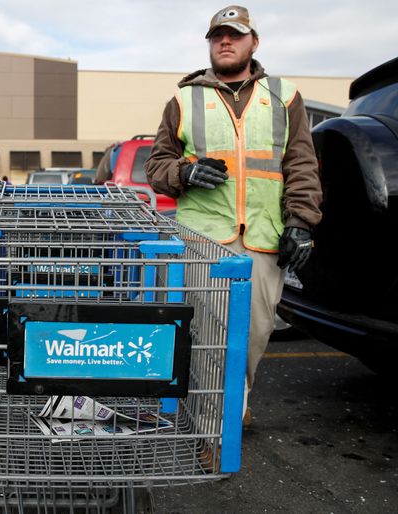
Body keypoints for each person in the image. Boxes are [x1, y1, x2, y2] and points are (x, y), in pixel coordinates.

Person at [144, 5, 322, 428]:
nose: (225, 41)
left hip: (264, 239)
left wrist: (301, 221)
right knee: (207, 336)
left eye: (235, 35)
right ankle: (215, 428)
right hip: (205, 239)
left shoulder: (283, 96)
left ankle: (230, 409)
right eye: (217, 36)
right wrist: (183, 172)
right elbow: (157, 167)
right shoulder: (185, 99)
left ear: (253, 43)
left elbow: (301, 163)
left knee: (254, 336)